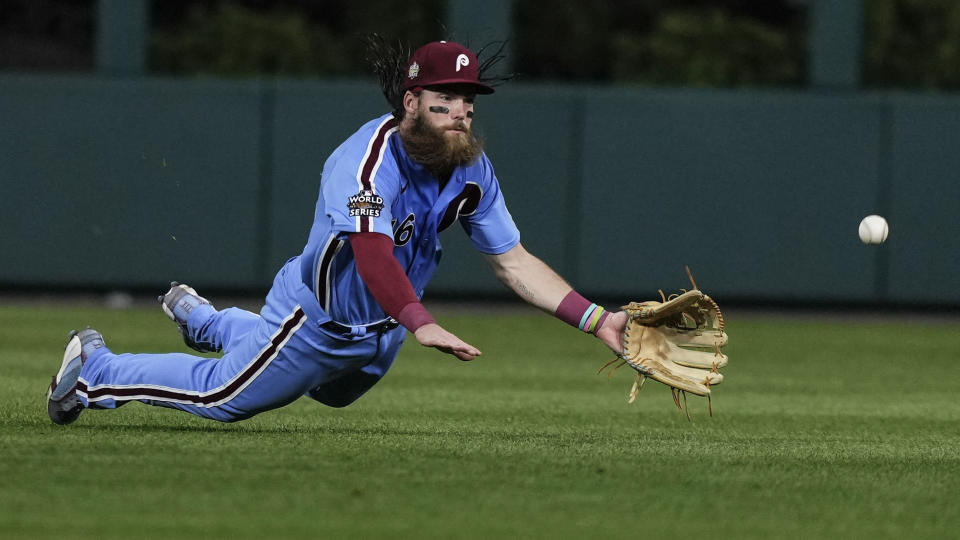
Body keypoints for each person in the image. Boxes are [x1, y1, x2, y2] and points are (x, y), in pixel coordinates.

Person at [46, 40, 628, 425]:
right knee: (221, 397)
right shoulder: (366, 162)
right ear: (411, 101)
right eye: (444, 100)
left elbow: (513, 261)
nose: (460, 113)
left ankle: (206, 321)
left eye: (468, 102)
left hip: (384, 329)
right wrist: (421, 324)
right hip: (317, 319)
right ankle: (94, 371)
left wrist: (599, 320)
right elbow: (372, 251)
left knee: (329, 394)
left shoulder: (471, 168)